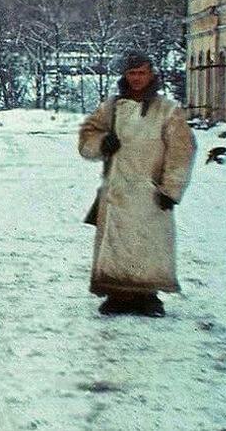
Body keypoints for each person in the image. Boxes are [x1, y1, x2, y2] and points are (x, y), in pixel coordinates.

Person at [78, 51, 195, 317]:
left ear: (151, 73)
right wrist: (102, 143)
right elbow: (88, 137)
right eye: (131, 73)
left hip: (150, 191)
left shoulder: (168, 110)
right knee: (117, 245)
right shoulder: (111, 108)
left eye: (142, 72)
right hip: (117, 191)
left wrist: (171, 189)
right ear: (125, 75)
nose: (137, 79)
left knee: (148, 244)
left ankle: (147, 296)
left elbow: (181, 151)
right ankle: (116, 294)